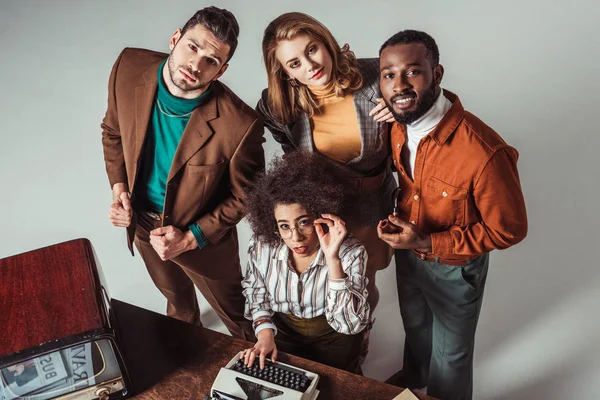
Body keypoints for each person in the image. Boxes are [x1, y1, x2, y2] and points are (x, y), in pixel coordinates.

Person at [377, 30, 528, 400]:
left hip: (455, 266)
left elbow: (509, 230)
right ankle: (415, 378)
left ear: (437, 73)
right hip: (409, 254)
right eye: (388, 75)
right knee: (415, 327)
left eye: (412, 72)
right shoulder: (397, 126)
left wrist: (428, 241)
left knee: (452, 355)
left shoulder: (484, 152)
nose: (398, 85)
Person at [101, 6, 264, 341]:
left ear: (222, 70)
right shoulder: (128, 68)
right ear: (176, 38)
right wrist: (120, 190)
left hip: (203, 239)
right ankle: (186, 354)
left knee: (238, 318)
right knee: (177, 306)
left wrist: (191, 238)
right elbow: (113, 132)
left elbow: (248, 195)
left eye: (212, 61)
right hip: (144, 225)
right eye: (193, 47)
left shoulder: (239, 125)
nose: (196, 65)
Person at [256, 11, 396, 327]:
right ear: (287, 73)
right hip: (320, 210)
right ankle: (327, 340)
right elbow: (289, 149)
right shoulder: (276, 105)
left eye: (312, 49)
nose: (310, 66)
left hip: (372, 205)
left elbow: (426, 88)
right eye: (295, 64)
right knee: (321, 278)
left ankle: (360, 335)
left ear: (326, 42)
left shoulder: (379, 73)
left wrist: (402, 105)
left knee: (363, 281)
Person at [240, 151, 369, 373]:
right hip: (284, 334)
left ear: (323, 215)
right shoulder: (262, 246)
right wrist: (264, 333)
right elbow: (257, 293)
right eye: (284, 226)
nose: (295, 237)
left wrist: (332, 258)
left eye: (304, 222)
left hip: (336, 337)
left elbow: (349, 325)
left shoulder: (351, 253)